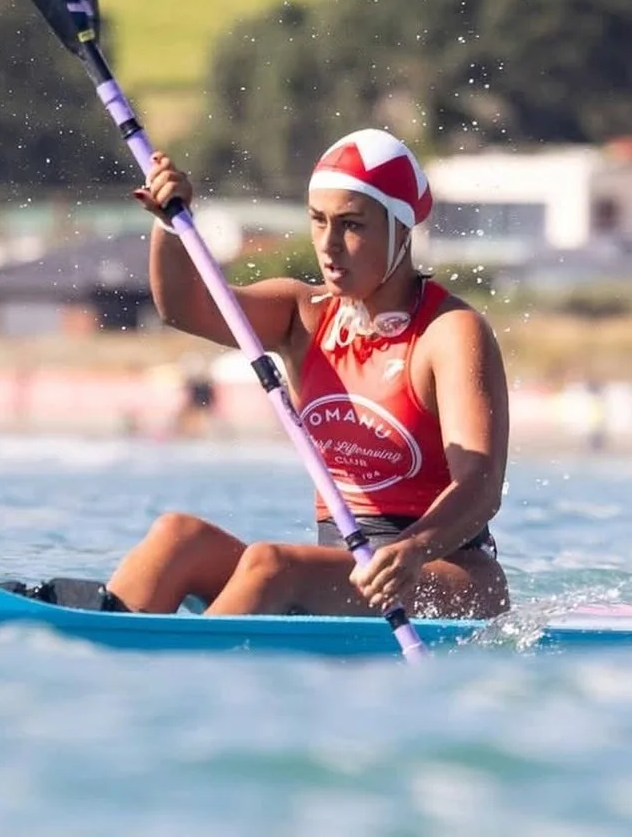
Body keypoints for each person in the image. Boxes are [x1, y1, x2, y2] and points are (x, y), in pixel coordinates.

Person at [107, 128, 511, 621]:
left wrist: (415, 547)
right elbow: (185, 308)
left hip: (447, 575)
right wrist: (171, 224)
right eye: (318, 221)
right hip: (347, 569)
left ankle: (183, 678)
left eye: (351, 225)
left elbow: (481, 484)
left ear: (402, 229)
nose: (329, 245)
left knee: (272, 566)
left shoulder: (449, 332)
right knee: (178, 537)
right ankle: (98, 654)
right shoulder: (305, 315)